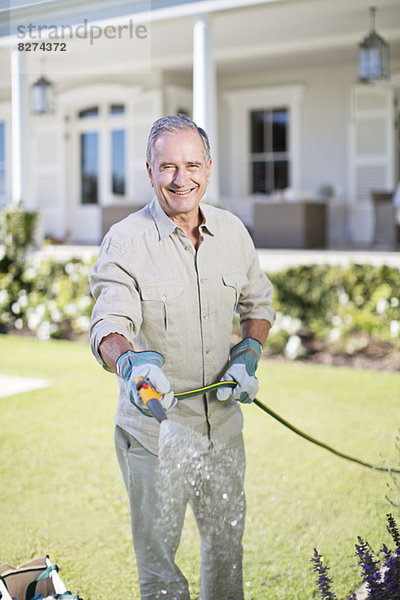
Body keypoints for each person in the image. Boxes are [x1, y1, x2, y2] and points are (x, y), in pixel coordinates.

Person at [89, 114, 275, 600]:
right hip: (155, 439)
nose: (180, 178)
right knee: (162, 575)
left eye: (192, 164)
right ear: (149, 172)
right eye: (167, 166)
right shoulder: (126, 241)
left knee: (225, 550)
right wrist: (131, 365)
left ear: (208, 168)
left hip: (223, 432)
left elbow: (259, 304)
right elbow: (109, 324)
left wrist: (249, 352)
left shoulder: (233, 233)